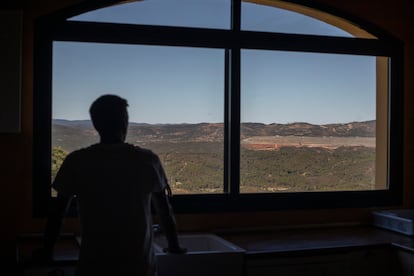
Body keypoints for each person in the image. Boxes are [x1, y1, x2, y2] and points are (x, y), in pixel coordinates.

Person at [35, 94, 185, 276]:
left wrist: (47, 252)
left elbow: (57, 214)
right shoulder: (148, 161)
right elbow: (164, 210)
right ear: (125, 122)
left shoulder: (76, 161)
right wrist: (174, 246)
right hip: (139, 267)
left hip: (94, 266)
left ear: (96, 124)